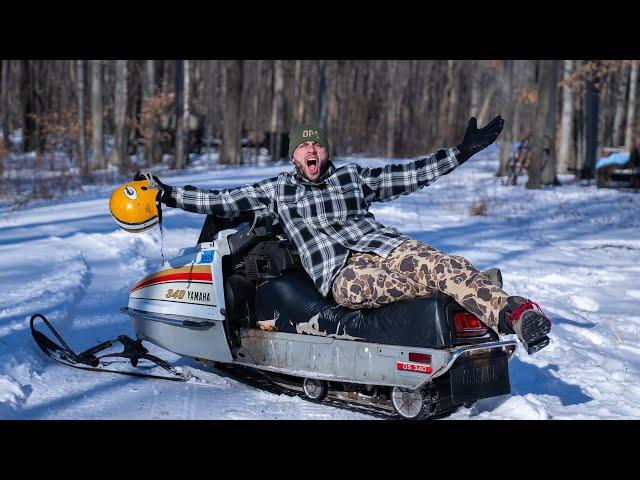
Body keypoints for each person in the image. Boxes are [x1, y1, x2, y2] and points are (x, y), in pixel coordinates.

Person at [138, 117, 552, 354]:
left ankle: (516, 315)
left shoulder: (351, 176)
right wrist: (169, 193)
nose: (311, 150)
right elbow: (222, 201)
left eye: (317, 144)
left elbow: (407, 175)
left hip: (387, 247)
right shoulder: (277, 191)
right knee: (441, 278)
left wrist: (459, 153)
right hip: (343, 273)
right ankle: (473, 287)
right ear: (294, 155)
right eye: (304, 147)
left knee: (441, 264)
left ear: (325, 151)